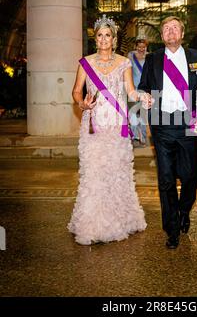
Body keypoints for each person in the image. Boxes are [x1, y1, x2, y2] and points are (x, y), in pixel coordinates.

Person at [68, 15, 147, 245]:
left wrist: (143, 97)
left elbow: (131, 92)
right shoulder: (85, 63)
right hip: (93, 125)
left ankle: (121, 219)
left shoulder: (124, 62)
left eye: (108, 35)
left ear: (114, 39)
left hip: (116, 126)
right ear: (96, 39)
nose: (104, 39)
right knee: (94, 173)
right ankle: (92, 224)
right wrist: (83, 103)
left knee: (116, 173)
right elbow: (75, 91)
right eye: (100, 35)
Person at [138, 16, 197, 249]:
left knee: (192, 174)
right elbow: (142, 86)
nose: (170, 32)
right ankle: (171, 229)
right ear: (162, 36)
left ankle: (183, 210)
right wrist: (144, 96)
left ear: (182, 34)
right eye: (166, 29)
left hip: (190, 121)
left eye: (175, 28)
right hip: (161, 124)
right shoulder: (153, 59)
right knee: (166, 179)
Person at [127, 38, 148, 147]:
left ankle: (143, 137)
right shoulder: (130, 56)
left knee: (143, 114)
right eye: (139, 46)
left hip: (144, 89)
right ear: (136, 47)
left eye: (143, 47)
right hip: (133, 89)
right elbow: (127, 71)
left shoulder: (149, 57)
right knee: (133, 113)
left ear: (146, 47)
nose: (141, 49)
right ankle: (135, 136)